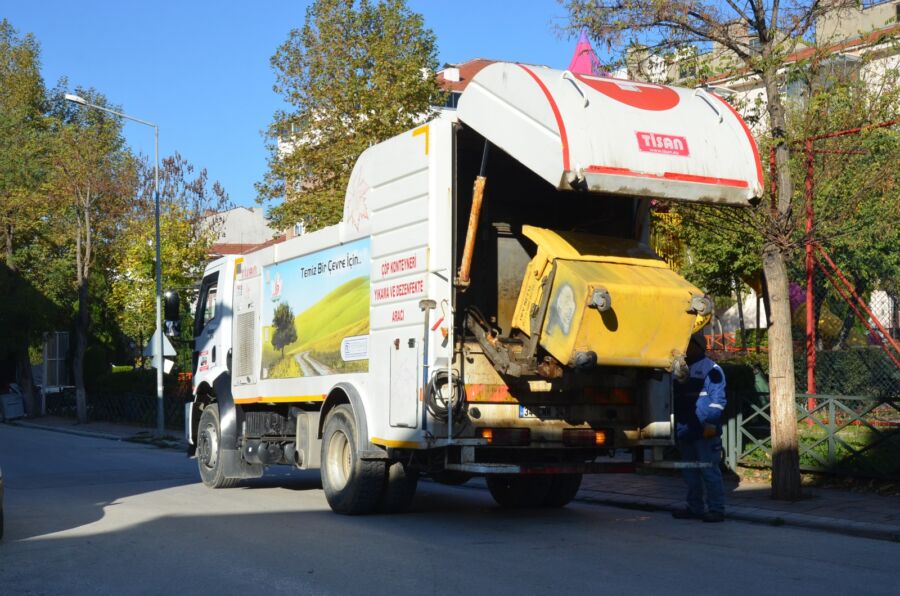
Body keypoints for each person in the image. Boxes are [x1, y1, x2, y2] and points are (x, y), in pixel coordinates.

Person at [672, 332, 727, 523]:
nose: (685, 348)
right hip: (685, 430)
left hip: (704, 432)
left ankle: (716, 510)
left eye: (688, 344)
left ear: (698, 346)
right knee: (690, 473)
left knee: (709, 471)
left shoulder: (711, 369)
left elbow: (718, 402)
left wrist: (710, 425)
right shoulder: (679, 369)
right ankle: (694, 508)